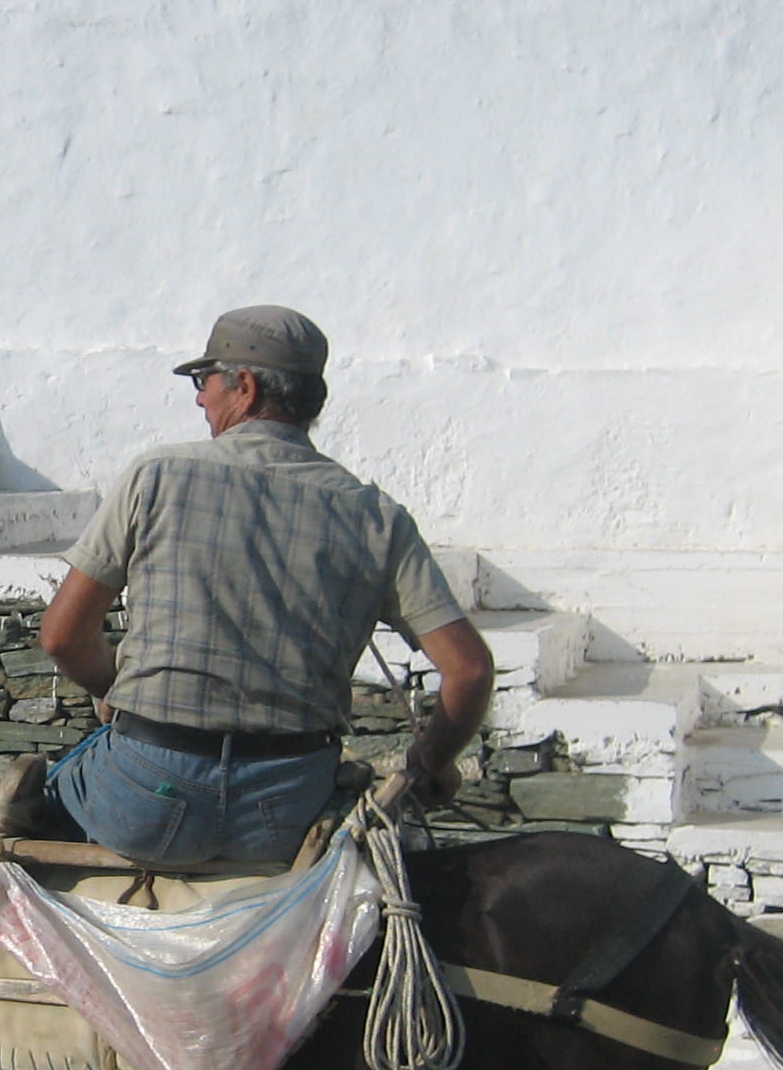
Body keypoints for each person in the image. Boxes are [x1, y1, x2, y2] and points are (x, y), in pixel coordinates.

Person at [37, 304, 496, 867]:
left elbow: (62, 637)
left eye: (204, 382)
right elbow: (469, 670)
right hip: (287, 812)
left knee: (46, 791)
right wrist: (432, 761)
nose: (200, 398)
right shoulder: (376, 516)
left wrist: (116, 688)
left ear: (245, 387)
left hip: (147, 799)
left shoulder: (157, 475)